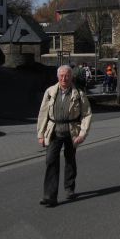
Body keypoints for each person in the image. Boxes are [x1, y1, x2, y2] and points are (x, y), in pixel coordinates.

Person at [36, 64, 92, 207]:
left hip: (72, 131)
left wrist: (82, 134)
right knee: (50, 161)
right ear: (57, 77)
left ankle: (69, 188)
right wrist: (40, 134)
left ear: (71, 77)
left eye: (67, 76)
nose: (64, 78)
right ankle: (49, 196)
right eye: (61, 76)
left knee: (70, 159)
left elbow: (86, 114)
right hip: (54, 130)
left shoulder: (78, 93)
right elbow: (43, 113)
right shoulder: (50, 92)